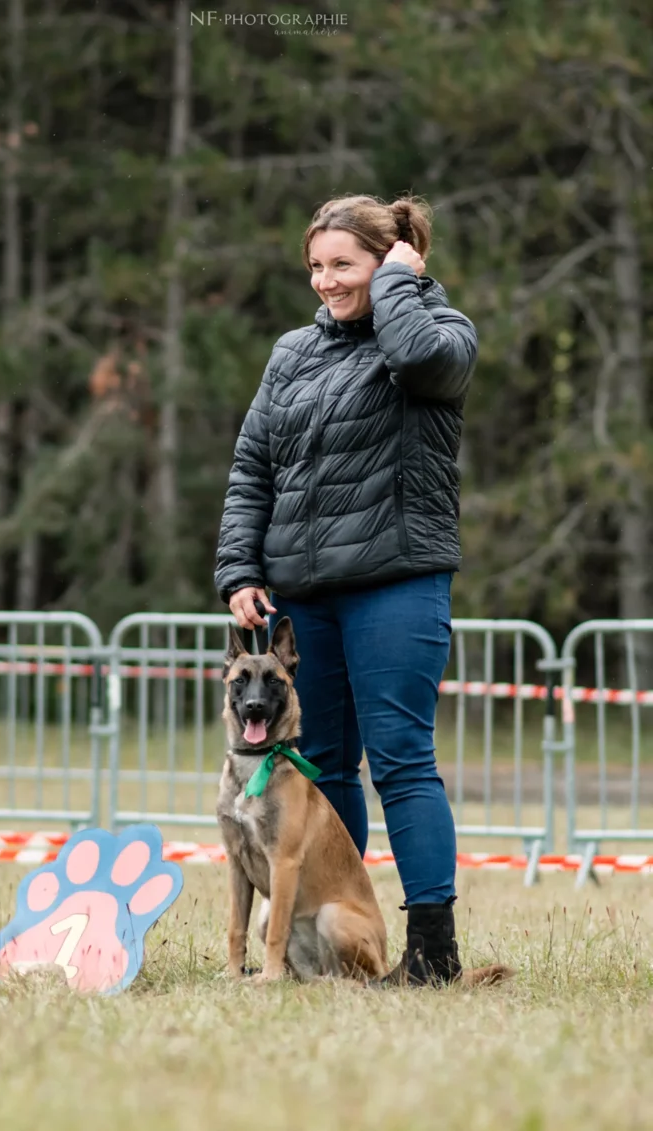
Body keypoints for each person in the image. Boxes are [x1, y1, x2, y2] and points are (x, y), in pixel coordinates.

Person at [214, 193, 478, 986]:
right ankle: (324, 949)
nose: (326, 281)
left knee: (401, 761)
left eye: (344, 265)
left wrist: (400, 283)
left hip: (397, 581)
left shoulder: (440, 334)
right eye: (316, 266)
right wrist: (239, 569)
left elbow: (416, 357)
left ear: (391, 261)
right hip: (304, 594)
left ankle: (432, 952)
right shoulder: (292, 353)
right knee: (322, 766)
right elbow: (252, 468)